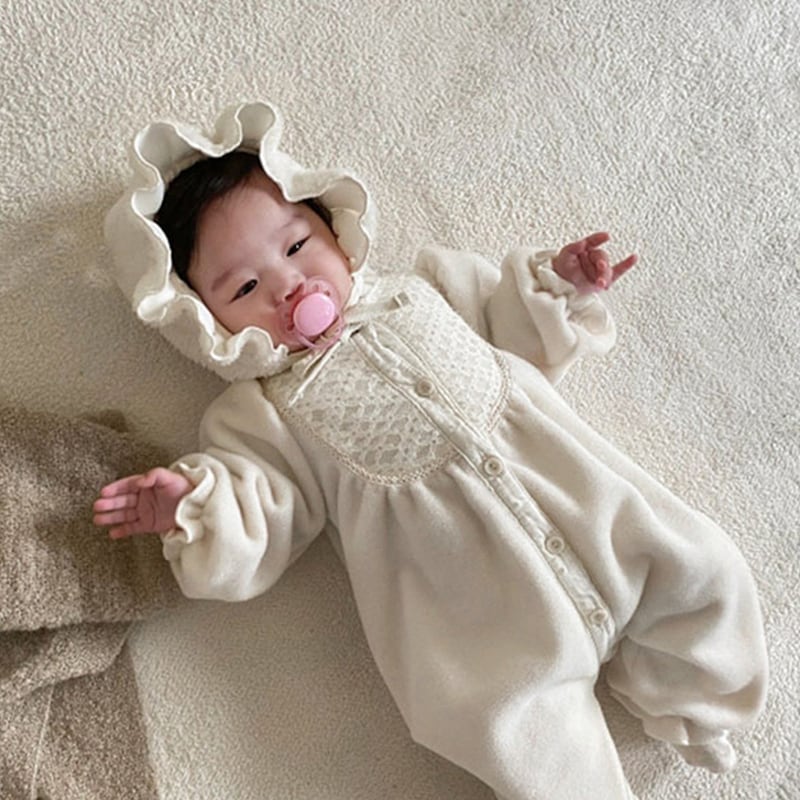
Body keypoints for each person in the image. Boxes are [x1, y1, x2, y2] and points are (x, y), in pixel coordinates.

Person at [95, 102, 767, 800]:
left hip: (587, 506)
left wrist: (557, 288)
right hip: (477, 619)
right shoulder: (262, 413)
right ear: (206, 324)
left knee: (703, 565)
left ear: (332, 227)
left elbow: (520, 337)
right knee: (511, 722)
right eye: (244, 288)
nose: (290, 286)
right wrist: (194, 507)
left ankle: (701, 704)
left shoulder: (428, 291)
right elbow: (259, 508)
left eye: (296, 247)